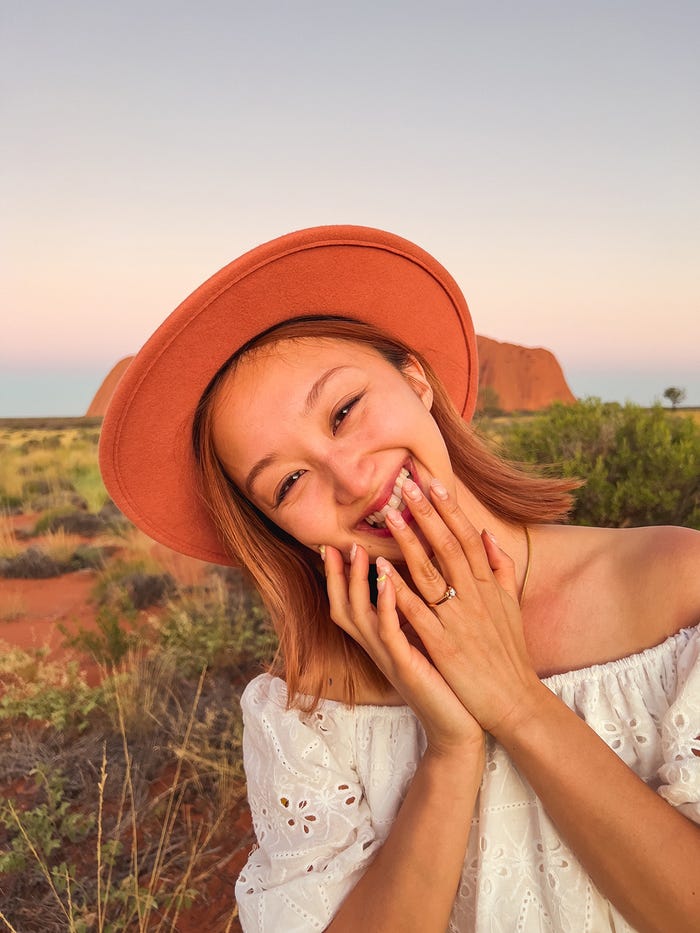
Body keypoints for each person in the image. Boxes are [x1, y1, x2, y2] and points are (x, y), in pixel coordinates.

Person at [99, 225, 700, 933]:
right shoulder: (305, 704)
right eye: (290, 482)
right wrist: (449, 751)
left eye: (345, 411)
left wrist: (514, 701)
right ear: (280, 529)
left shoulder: (678, 588)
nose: (351, 478)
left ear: (418, 381)